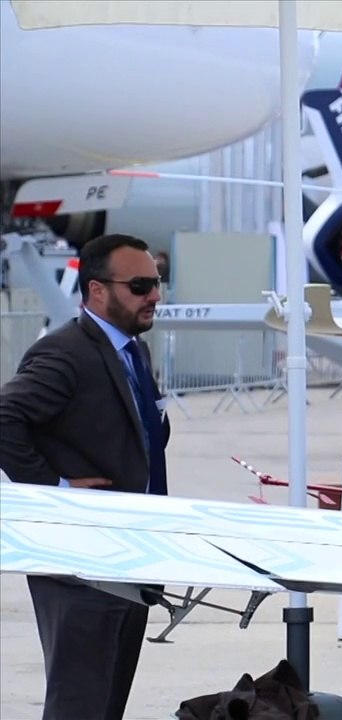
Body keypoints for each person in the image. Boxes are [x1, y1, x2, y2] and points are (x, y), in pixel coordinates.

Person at [0, 233, 170, 720]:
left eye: (157, 283)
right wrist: (56, 492)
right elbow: (6, 419)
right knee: (80, 703)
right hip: (82, 565)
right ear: (98, 291)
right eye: (140, 286)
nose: (154, 296)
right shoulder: (66, 353)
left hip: (132, 556)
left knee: (107, 702)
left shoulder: (133, 353)